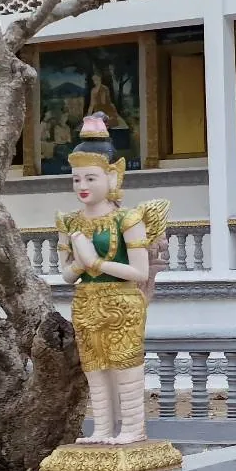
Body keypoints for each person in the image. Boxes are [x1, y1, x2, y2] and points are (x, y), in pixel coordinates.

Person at [56, 112, 170, 445]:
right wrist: (80, 264)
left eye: (90, 179)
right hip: (85, 303)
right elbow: (66, 274)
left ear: (112, 177)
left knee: (124, 364)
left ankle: (133, 426)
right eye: (76, 179)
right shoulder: (70, 222)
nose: (82, 187)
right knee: (94, 367)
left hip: (123, 301)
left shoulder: (127, 218)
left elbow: (139, 272)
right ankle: (103, 427)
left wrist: (96, 262)